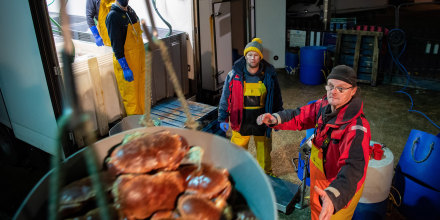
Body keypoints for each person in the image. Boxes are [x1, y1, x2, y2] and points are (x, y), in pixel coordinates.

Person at [257, 65, 371, 220]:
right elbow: (300, 115)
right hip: (320, 181)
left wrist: (334, 197)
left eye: (341, 88)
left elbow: (354, 168)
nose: (334, 91)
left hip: (339, 189)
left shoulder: (356, 128)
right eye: (330, 86)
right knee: (316, 213)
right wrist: (275, 119)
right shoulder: (323, 105)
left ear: (353, 91)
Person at [218, 38, 283, 176]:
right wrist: (223, 117)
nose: (252, 58)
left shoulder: (269, 75)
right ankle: (237, 174)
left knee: (264, 151)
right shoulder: (234, 74)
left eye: (256, 55)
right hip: (241, 119)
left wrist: (278, 117)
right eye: (250, 55)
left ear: (260, 57)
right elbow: (225, 97)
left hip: (263, 119)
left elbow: (276, 97)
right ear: (245, 56)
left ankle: (265, 176)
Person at [106, 0, 145, 115]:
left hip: (138, 61)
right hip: (127, 62)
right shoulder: (113, 16)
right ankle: (136, 129)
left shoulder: (130, 11)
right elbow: (116, 46)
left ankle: (144, 123)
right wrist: (125, 67)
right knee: (131, 98)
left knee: (141, 93)